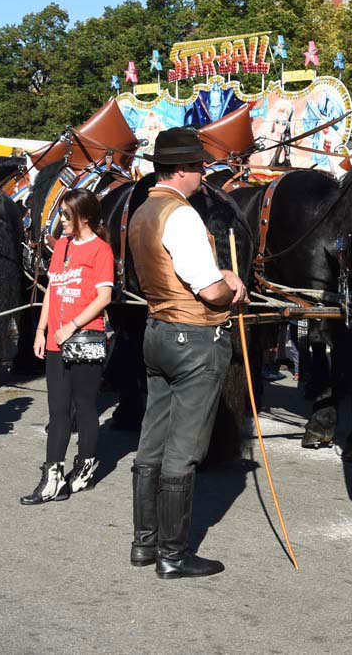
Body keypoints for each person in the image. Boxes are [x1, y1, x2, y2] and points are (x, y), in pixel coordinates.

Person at [126, 127, 247, 579]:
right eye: (197, 167)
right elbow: (209, 290)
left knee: (151, 440)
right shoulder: (182, 215)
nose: (202, 175)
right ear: (180, 170)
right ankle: (173, 555)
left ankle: (145, 543)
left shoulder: (142, 212)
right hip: (193, 338)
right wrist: (231, 284)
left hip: (157, 330)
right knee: (184, 450)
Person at [22, 189, 114, 505]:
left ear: (84, 217)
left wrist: (72, 326)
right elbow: (52, 290)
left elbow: (104, 297)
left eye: (65, 215)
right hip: (55, 340)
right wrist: (40, 330)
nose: (60, 222)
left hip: (84, 337)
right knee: (58, 410)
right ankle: (52, 478)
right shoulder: (61, 246)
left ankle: (84, 468)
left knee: (85, 407)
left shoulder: (101, 251)